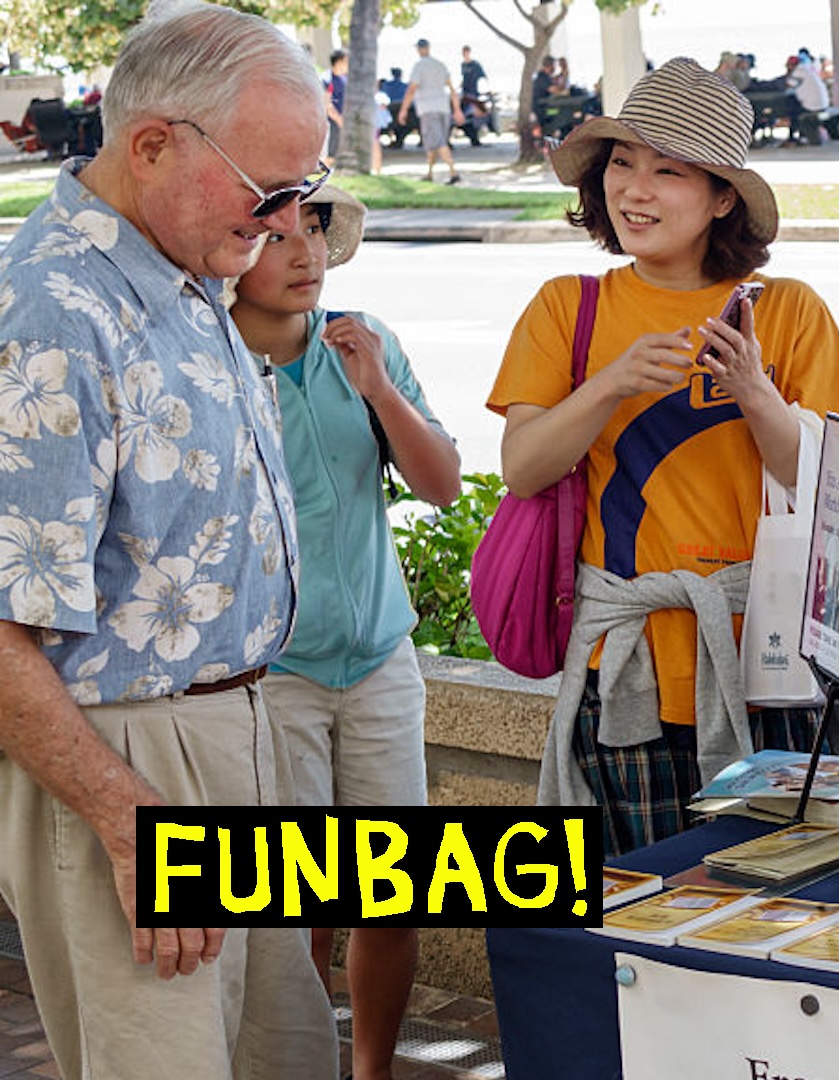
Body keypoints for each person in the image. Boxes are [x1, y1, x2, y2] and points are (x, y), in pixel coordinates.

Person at [0, 2, 340, 1077]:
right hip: (135, 757)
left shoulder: (182, 266)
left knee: (280, 1055)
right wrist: (125, 817)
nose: (288, 222)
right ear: (152, 145)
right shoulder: (53, 311)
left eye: (306, 190)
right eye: (269, 190)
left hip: (229, 732)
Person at [489, 58, 839, 855]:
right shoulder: (568, 306)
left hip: (769, 663)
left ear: (723, 197)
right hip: (625, 668)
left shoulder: (789, 310)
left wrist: (755, 392)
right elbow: (523, 468)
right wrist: (610, 384)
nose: (635, 190)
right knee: (646, 900)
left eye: (668, 171)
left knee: (786, 898)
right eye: (622, 163)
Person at [227, 184, 460, 1080]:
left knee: (388, 896)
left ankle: (373, 1071)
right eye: (279, 235)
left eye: (316, 230)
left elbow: (441, 483)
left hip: (379, 664)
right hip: (271, 675)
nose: (305, 253)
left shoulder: (365, 341)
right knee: (300, 906)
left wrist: (377, 389)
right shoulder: (209, 359)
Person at [398, 37, 463, 184]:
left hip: (428, 109)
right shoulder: (440, 65)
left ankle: (453, 172)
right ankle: (429, 173)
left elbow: (412, 89)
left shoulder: (419, 67)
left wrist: (404, 110)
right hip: (443, 108)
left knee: (438, 143)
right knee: (433, 144)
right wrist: (457, 109)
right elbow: (452, 89)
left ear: (419, 49)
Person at [782, 49, 829, 146]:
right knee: (795, 106)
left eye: (788, 66)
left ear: (791, 65)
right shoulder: (806, 69)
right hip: (822, 104)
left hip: (814, 106)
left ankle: (791, 138)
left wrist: (787, 74)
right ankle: (799, 136)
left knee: (793, 111)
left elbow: (787, 85)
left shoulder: (798, 71)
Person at [324, 47, 347, 164]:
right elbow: (326, 103)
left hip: (343, 122)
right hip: (332, 123)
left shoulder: (344, 79)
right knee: (330, 155)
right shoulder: (328, 79)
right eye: (346, 61)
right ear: (339, 62)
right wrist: (339, 120)